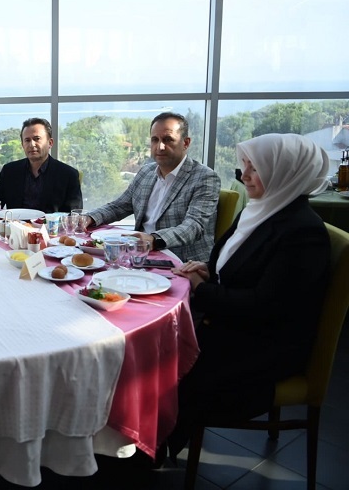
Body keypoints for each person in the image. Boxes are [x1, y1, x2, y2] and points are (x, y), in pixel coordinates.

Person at [166, 133, 331, 457]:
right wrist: (208, 269)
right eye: (245, 167)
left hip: (264, 345)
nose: (245, 176)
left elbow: (263, 306)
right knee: (159, 349)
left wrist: (201, 288)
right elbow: (238, 263)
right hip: (235, 323)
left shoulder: (303, 232)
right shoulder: (261, 209)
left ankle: (155, 448)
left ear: (285, 173)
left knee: (166, 365)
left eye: (256, 169)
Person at [82, 113, 220, 262]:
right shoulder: (146, 172)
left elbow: (193, 227)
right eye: (155, 140)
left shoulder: (204, 178)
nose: (160, 147)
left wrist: (154, 239)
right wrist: (89, 218)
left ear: (185, 143)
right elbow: (119, 206)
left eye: (168, 139)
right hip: (140, 256)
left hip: (183, 262)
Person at [0, 118, 82, 213]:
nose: (32, 144)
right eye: (27, 140)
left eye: (37, 139)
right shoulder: (10, 171)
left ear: (50, 143)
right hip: (15, 222)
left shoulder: (68, 175)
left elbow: (74, 214)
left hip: (50, 223)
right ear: (22, 145)